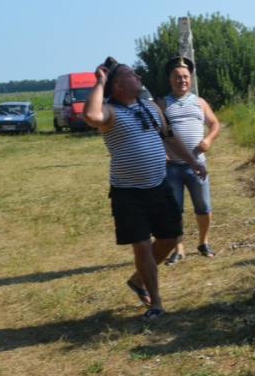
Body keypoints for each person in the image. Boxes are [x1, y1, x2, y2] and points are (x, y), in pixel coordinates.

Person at [83, 57, 207, 323]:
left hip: (159, 186)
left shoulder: (150, 107)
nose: (139, 77)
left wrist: (193, 161)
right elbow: (91, 116)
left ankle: (138, 280)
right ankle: (156, 303)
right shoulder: (110, 111)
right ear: (118, 85)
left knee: (170, 240)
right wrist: (100, 81)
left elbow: (170, 137)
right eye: (132, 74)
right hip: (128, 193)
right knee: (141, 245)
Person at [157, 56, 221, 264]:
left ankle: (203, 242)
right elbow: (154, 132)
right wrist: (161, 151)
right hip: (172, 167)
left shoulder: (200, 102)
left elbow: (215, 124)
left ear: (190, 79)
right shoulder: (162, 104)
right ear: (170, 80)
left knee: (203, 206)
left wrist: (209, 139)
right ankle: (178, 249)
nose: (182, 80)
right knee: (174, 210)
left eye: (185, 76)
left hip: (197, 165)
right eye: (177, 77)